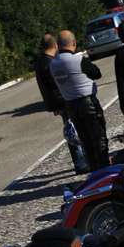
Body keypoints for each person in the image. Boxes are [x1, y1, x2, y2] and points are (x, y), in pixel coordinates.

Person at [50, 30, 109, 171]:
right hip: (88, 103)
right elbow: (97, 73)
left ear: (58, 46)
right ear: (74, 43)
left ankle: (94, 170)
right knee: (99, 138)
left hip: (71, 105)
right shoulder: (78, 59)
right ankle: (105, 170)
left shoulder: (53, 64)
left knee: (85, 141)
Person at [35, 34, 89, 173]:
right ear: (55, 45)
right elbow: (56, 85)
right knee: (75, 131)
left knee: (72, 130)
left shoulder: (41, 62)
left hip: (57, 102)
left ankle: (82, 161)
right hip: (65, 100)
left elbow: (45, 88)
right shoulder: (49, 63)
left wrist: (52, 105)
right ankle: (82, 163)